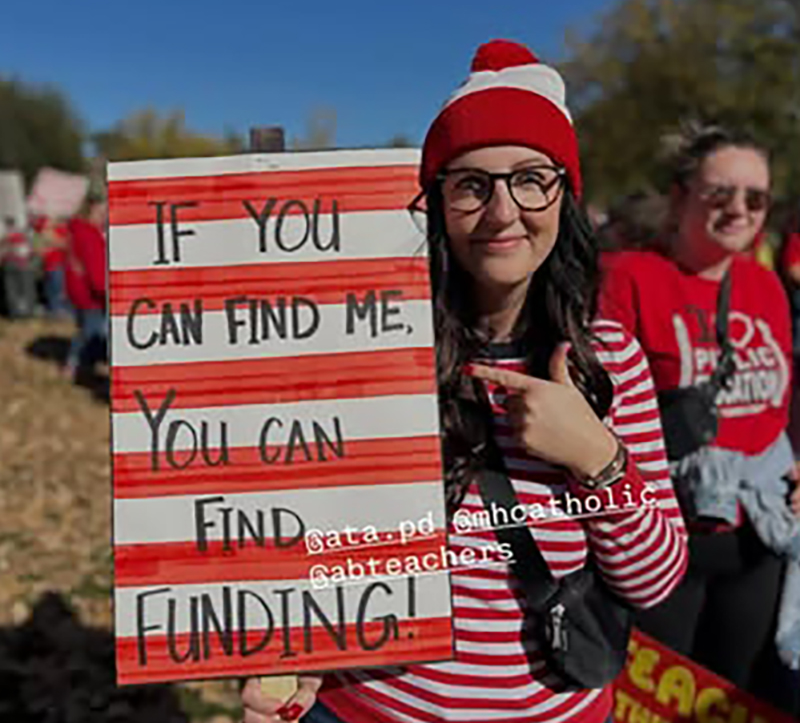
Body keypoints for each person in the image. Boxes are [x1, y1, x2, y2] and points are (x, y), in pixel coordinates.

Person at [241, 39, 688, 723]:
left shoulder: (609, 358)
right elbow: (301, 534)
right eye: (472, 183)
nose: (503, 211)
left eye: (531, 177)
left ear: (564, 195)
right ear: (438, 204)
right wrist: (289, 652)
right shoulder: (372, 351)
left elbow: (653, 583)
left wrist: (595, 457)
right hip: (366, 708)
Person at [599, 121, 798, 702]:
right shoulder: (629, 276)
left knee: (732, 696)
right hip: (667, 536)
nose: (739, 209)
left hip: (758, 531)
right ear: (681, 193)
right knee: (651, 699)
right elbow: (599, 407)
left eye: (755, 198)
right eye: (720, 193)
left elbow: (781, 401)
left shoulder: (764, 285)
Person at [63, 193, 107, 380]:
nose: (106, 213)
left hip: (80, 291)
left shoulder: (78, 230)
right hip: (91, 295)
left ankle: (76, 366)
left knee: (86, 331)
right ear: (93, 209)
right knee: (91, 334)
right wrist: (105, 290)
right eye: (103, 209)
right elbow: (95, 268)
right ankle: (76, 367)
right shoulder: (89, 233)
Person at [0, 215, 37, 318]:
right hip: (22, 264)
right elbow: (28, 251)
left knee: (11, 290)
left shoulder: (5, 237)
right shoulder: (22, 235)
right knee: (26, 289)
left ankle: (15, 312)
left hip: (8, 264)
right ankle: (27, 312)